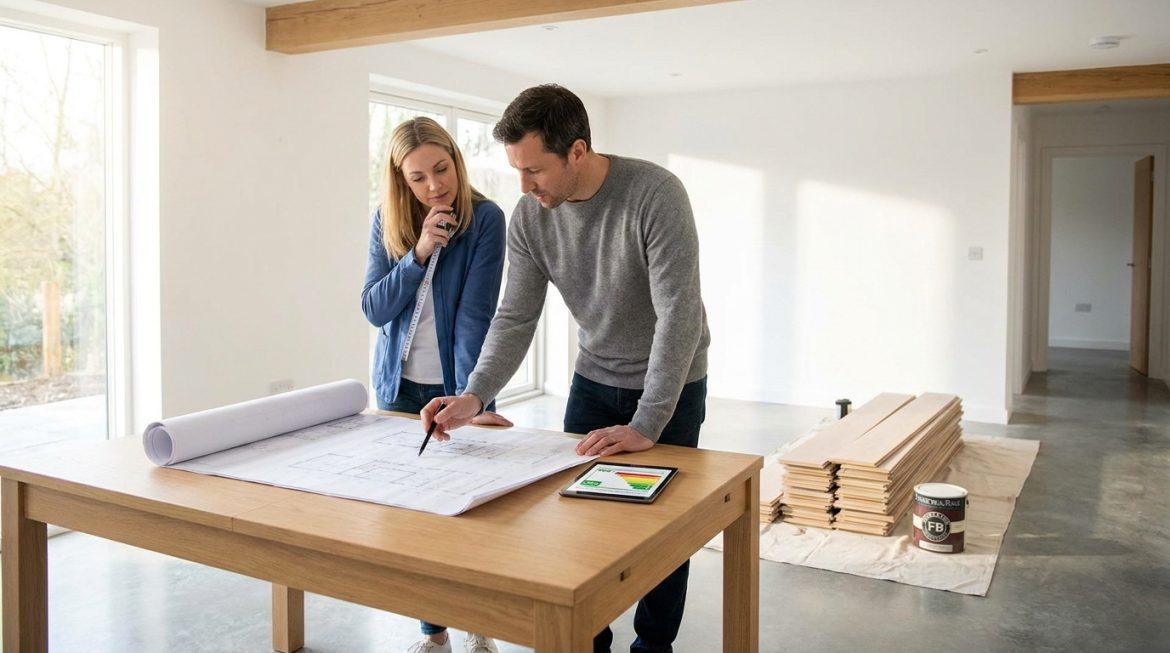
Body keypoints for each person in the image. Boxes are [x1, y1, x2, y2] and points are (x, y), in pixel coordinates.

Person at [421, 85, 710, 653]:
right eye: (516, 171)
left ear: (577, 151)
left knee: (664, 534)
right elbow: (515, 316)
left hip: (672, 384)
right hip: (594, 378)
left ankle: (654, 647)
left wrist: (648, 422)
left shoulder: (656, 194)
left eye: (534, 170)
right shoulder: (531, 217)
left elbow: (678, 314)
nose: (523, 187)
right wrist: (473, 396)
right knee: (579, 525)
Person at [361, 116, 509, 653]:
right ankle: (433, 632)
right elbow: (374, 309)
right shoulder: (388, 220)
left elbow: (476, 317)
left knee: (468, 515)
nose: (434, 186)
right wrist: (419, 252)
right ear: (401, 180)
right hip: (398, 391)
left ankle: (478, 624)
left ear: (456, 160)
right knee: (415, 519)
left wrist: (475, 399)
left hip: (455, 390)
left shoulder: (486, 219)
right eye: (418, 177)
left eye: (441, 169)